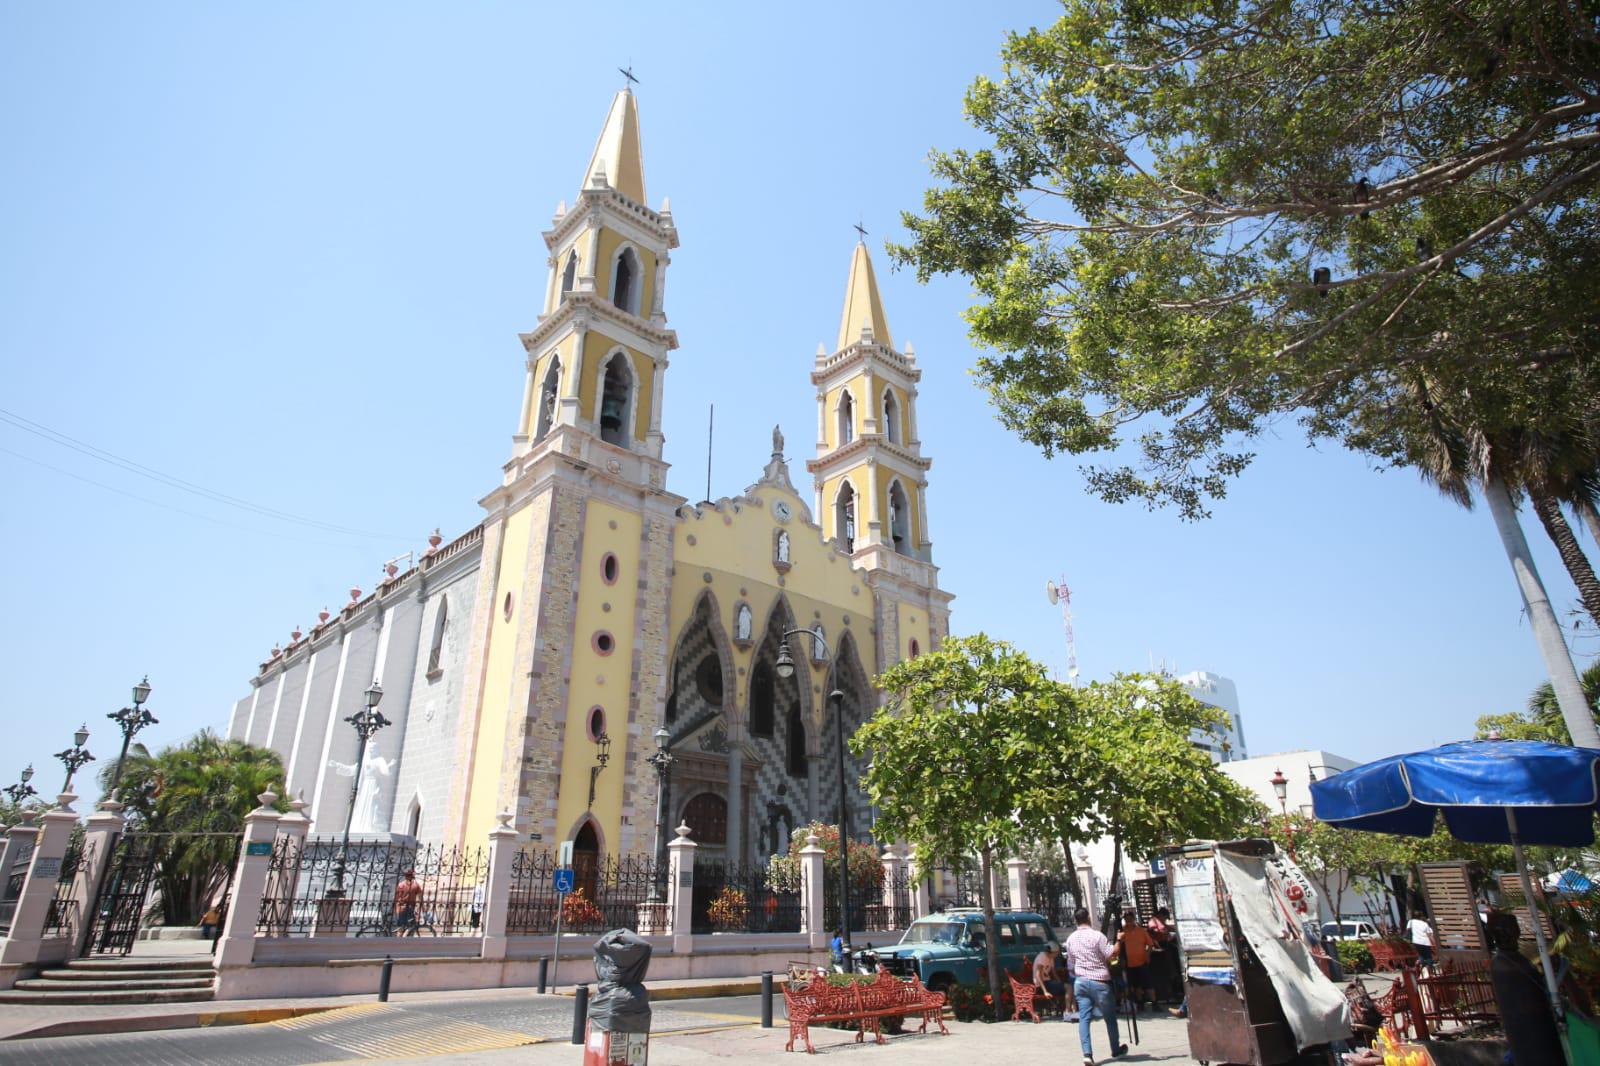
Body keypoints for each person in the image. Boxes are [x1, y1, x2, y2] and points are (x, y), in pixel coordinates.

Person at [1487, 910, 1563, 1065]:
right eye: (1512, 927)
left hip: (1539, 1024)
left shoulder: (1516, 958)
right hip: (1526, 1027)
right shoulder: (1502, 963)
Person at [1065, 907, 1129, 1066]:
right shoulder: (1097, 936)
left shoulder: (1071, 939)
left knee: (1084, 1019)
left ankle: (1087, 1054)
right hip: (1100, 981)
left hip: (1081, 982)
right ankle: (1115, 1049)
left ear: (1076, 920)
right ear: (1088, 918)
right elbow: (1111, 954)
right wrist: (1119, 940)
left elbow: (1071, 963)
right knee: (1110, 1018)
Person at [1117, 910, 1156, 1011]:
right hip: (1129, 964)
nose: (1129, 920)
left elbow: (1150, 945)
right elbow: (1118, 946)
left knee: (1148, 984)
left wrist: (1147, 955)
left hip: (1142, 962)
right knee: (1135, 985)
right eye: (1126, 919)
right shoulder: (1122, 932)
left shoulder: (1141, 931)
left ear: (1134, 919)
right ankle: (1140, 1003)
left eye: (1130, 918)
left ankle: (1154, 1003)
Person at [1034, 942, 1068, 1018]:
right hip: (1041, 985)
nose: (1057, 955)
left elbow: (1053, 972)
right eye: (1056, 953)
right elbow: (1038, 975)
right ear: (1052, 952)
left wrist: (1059, 982)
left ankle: (1068, 1010)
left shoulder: (1051, 958)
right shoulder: (1042, 957)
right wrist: (1045, 991)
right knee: (1068, 987)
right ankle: (1068, 1011)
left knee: (1068, 986)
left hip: (1048, 982)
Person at [395, 868, 424, 936]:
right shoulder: (415, 885)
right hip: (410, 906)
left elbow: (397, 897)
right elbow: (420, 896)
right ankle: (405, 935)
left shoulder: (401, 884)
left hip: (402, 906)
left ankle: (399, 939)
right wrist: (421, 906)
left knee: (401, 926)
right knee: (410, 924)